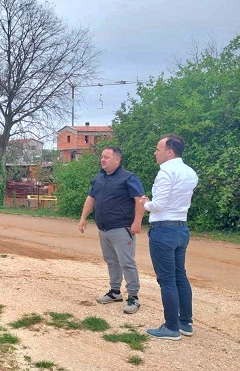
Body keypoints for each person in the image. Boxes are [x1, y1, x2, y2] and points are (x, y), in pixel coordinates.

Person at [140, 134, 198, 340]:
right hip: (181, 228)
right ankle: (185, 322)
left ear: (169, 152)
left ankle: (171, 327)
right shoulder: (190, 172)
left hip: (163, 230)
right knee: (180, 275)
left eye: (158, 149)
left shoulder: (166, 172)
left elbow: (160, 204)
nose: (155, 152)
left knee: (167, 280)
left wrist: (145, 203)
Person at [79, 147, 146, 314]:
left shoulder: (128, 178)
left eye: (107, 157)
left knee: (127, 263)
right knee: (111, 261)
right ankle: (115, 292)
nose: (103, 160)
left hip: (122, 228)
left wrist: (137, 222)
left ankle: (133, 297)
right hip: (103, 228)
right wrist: (83, 218)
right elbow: (91, 199)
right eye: (102, 157)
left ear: (117, 160)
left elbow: (140, 200)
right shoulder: (98, 178)